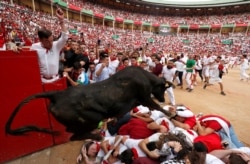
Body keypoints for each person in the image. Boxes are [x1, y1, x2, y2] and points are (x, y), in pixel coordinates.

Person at [30, 7, 68, 83]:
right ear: (40, 40)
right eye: (47, 41)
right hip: (42, 80)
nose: (50, 44)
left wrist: (61, 20)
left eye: (51, 40)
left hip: (55, 80)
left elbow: (65, 37)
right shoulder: (34, 47)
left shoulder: (56, 46)